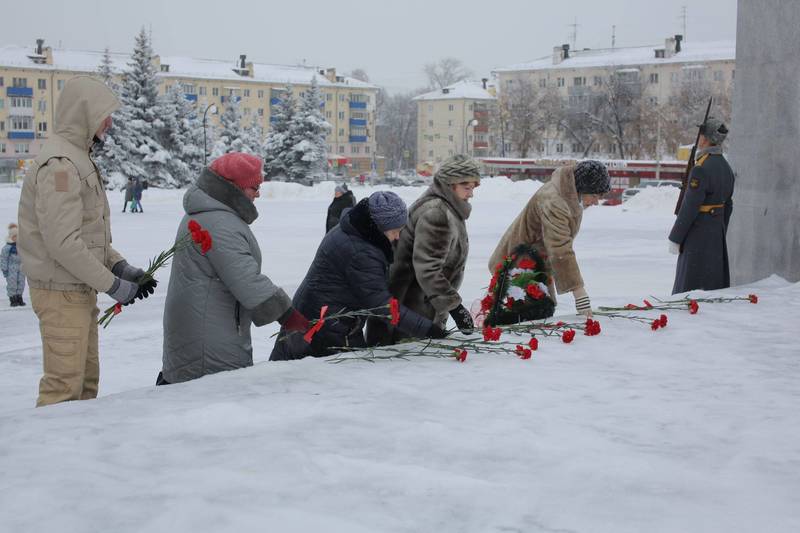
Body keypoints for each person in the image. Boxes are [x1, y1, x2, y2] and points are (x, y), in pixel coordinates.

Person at [17, 76, 154, 407]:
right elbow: (63, 243)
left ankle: (72, 456)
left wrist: (121, 266)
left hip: (76, 289)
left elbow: (88, 234)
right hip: (61, 291)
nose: (109, 122)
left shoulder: (78, 158)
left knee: (85, 386)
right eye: (104, 114)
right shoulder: (61, 166)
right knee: (64, 389)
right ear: (85, 114)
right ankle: (51, 455)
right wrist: (113, 284)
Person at [160, 152, 309, 384]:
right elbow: (245, 278)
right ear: (234, 188)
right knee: (206, 400)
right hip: (209, 335)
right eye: (254, 187)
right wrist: (288, 314)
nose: (258, 194)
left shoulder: (210, 214)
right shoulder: (219, 223)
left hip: (205, 323)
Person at [270, 191, 447, 361]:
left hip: (318, 317)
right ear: (380, 227)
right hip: (325, 326)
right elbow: (381, 304)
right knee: (335, 383)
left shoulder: (354, 230)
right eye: (394, 230)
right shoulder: (361, 251)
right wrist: (427, 329)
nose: (397, 237)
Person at [367, 154, 479, 345]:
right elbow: (428, 268)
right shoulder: (437, 213)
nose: (471, 193)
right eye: (466, 187)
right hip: (411, 313)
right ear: (449, 184)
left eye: (473, 187)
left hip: (416, 310)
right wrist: (455, 307)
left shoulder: (447, 208)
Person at [488, 160, 611, 317]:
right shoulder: (555, 201)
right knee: (532, 316)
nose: (596, 202)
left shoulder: (570, 191)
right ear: (583, 187)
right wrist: (579, 292)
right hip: (520, 262)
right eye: (594, 195)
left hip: (537, 261)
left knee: (543, 310)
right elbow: (560, 247)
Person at [668, 117, 734, 294]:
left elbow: (689, 206)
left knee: (689, 287)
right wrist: (720, 229)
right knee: (713, 285)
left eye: (700, 135)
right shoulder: (726, 167)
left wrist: (676, 238)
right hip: (716, 234)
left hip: (697, 235)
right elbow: (728, 206)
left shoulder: (701, 168)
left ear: (704, 139)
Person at [1, 223, 25, 307]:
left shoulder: (22, 246)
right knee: (12, 284)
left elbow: (26, 257)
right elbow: (3, 259)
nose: (16, 238)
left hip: (21, 269)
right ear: (11, 237)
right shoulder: (7, 248)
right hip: (11, 269)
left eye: (18, 236)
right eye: (15, 236)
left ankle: (19, 297)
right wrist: (4, 269)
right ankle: (13, 299)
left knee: (21, 283)